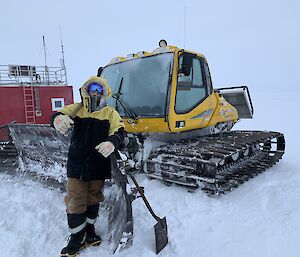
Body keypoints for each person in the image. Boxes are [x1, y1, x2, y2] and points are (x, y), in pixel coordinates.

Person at [51, 76, 125, 257]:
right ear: (86, 89)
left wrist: (112, 142)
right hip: (77, 163)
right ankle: (77, 238)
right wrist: (57, 119)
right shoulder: (77, 109)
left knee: (93, 197)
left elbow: (120, 131)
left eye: (99, 89)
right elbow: (58, 114)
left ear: (105, 92)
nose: (95, 92)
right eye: (92, 87)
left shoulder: (110, 113)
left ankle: (90, 230)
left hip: (98, 163)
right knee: (75, 197)